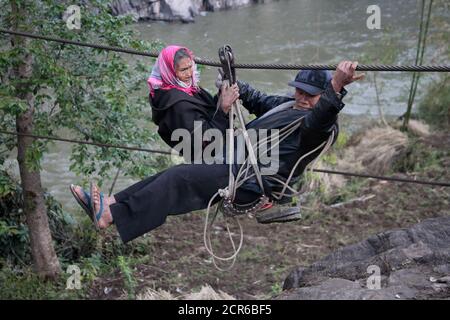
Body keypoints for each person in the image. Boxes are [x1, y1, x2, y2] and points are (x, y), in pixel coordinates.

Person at [70, 61, 364, 243]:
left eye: (309, 95)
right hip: (235, 163)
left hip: (248, 181)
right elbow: (257, 99)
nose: (300, 98)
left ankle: (110, 216)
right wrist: (231, 81)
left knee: (179, 178)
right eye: (298, 91)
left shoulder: (316, 127)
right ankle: (110, 203)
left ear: (323, 96)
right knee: (170, 175)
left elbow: (322, 118)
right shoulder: (289, 105)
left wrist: (337, 86)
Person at [147, 45, 239, 152]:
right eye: (183, 70)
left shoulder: (186, 87)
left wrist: (222, 93)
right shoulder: (177, 105)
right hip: (209, 157)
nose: (189, 73)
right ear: (169, 71)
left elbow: (207, 111)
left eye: (190, 66)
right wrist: (223, 109)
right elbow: (207, 143)